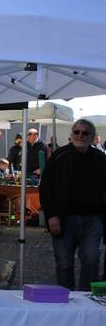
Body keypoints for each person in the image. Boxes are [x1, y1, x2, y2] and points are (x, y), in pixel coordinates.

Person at [39, 119, 106, 291]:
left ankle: (86, 300)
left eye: (85, 133)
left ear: (92, 137)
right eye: (76, 132)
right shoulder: (59, 156)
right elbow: (46, 188)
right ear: (71, 134)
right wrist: (51, 215)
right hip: (64, 218)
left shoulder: (101, 159)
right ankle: (65, 300)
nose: (80, 135)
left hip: (93, 219)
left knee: (91, 260)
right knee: (64, 263)